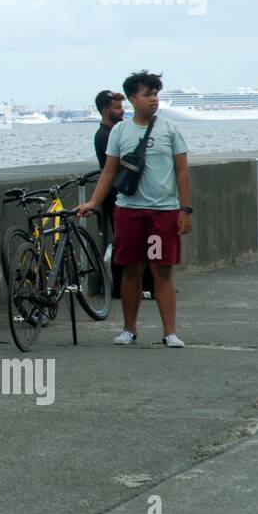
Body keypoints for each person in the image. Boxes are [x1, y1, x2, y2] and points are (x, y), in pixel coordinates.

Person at [76, 70, 192, 347]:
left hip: (162, 212)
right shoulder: (120, 131)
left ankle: (170, 332)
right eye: (147, 94)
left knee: (162, 270)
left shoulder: (169, 129)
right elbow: (108, 172)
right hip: (129, 211)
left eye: (155, 94)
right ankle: (129, 329)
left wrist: (184, 209)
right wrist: (93, 202)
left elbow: (182, 169)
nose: (154, 100)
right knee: (131, 269)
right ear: (132, 100)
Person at [92, 89, 154, 300]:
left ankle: (147, 283)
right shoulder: (104, 135)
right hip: (115, 194)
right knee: (123, 241)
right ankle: (121, 286)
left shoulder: (116, 132)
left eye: (122, 106)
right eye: (117, 108)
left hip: (123, 192)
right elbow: (112, 168)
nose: (122, 111)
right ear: (104, 110)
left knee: (134, 240)